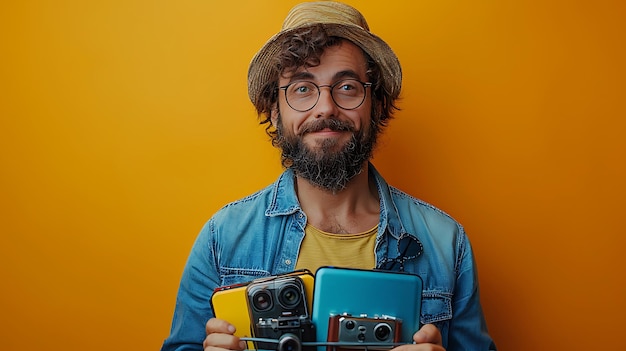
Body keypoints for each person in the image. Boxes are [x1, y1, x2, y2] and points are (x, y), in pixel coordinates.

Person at [160, 2, 496, 351]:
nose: (326, 107)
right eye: (302, 88)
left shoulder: (446, 244)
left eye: (347, 87)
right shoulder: (222, 240)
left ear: (376, 104)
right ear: (275, 111)